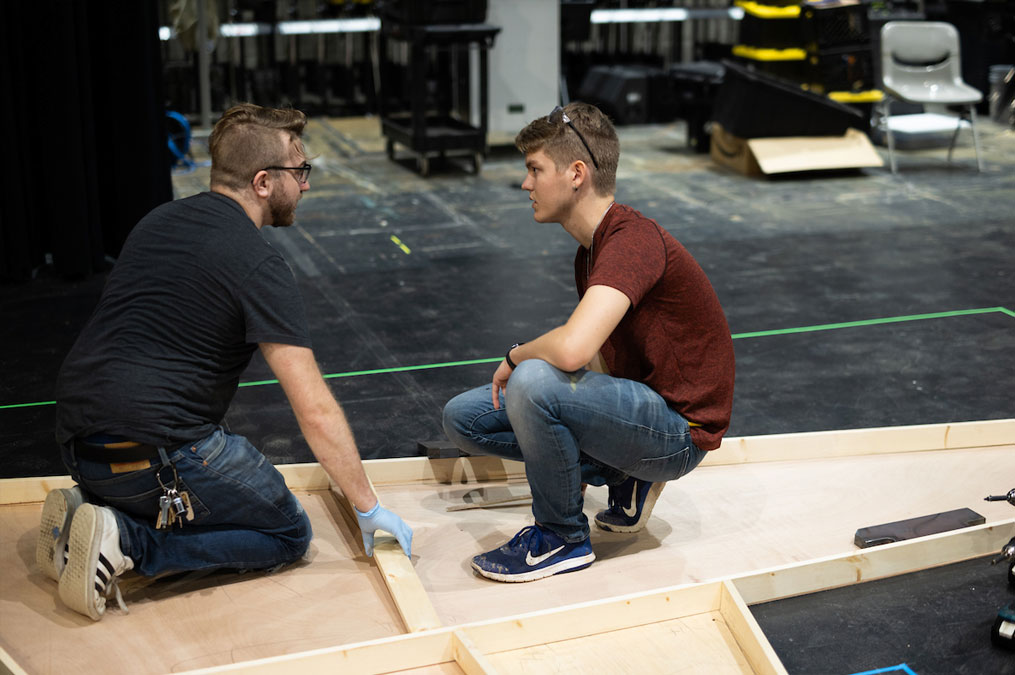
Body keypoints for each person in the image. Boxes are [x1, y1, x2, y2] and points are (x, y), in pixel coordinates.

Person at [39, 103, 412, 621]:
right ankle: (127, 542)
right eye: (299, 171)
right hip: (154, 456)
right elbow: (314, 410)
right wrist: (369, 508)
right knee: (286, 532)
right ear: (263, 182)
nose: (305, 184)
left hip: (77, 447)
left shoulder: (157, 220)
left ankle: (92, 509)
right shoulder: (258, 262)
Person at [442, 102, 735, 583]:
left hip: (679, 431)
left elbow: (575, 351)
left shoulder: (631, 240)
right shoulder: (592, 249)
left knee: (533, 382)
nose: (525, 184)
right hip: (643, 407)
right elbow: (597, 355)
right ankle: (624, 473)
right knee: (466, 416)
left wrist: (515, 357)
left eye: (534, 169)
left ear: (576, 173)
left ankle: (561, 537)